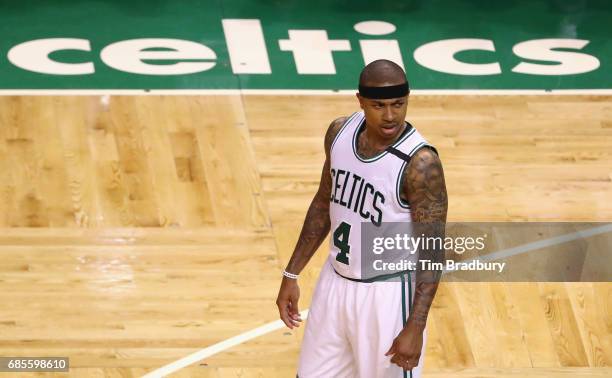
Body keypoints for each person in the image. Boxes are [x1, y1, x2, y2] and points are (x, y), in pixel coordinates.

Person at [275, 59, 448, 378]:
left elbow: (433, 251)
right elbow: (323, 201)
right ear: (360, 101)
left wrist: (415, 326)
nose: (390, 115)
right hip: (334, 283)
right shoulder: (339, 133)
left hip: (386, 296)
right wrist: (292, 272)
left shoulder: (421, 164)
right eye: (378, 105)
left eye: (399, 104)